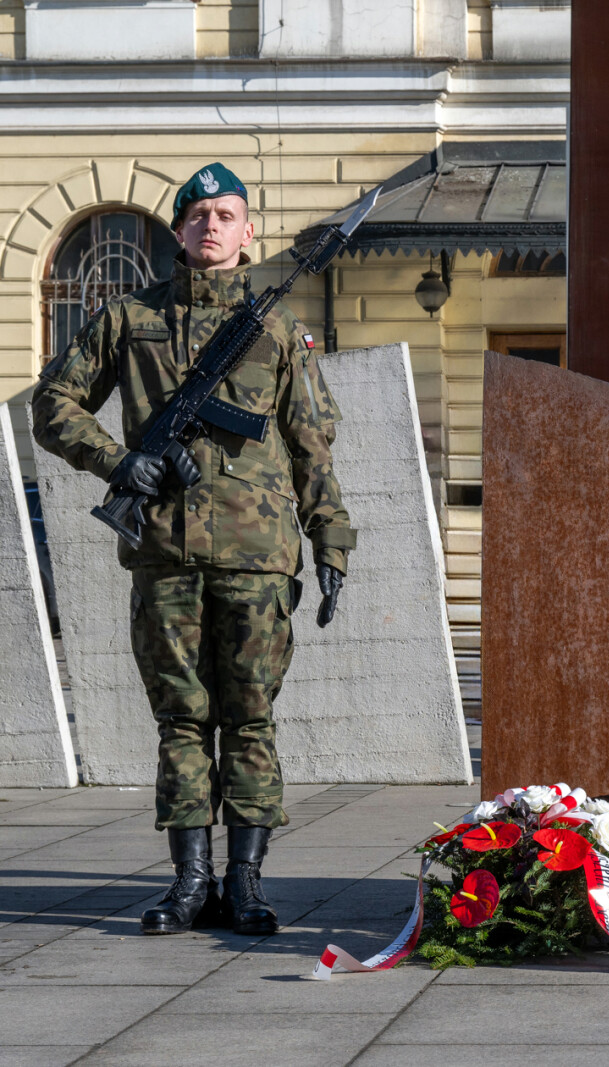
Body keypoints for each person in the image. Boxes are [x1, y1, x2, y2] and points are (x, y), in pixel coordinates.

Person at [33, 163, 356, 936]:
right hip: (166, 554)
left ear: (250, 232)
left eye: (226, 214)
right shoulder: (127, 318)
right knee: (181, 720)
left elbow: (314, 449)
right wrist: (120, 463)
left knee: (249, 719)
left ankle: (244, 883)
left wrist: (331, 543)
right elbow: (54, 404)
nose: (211, 225)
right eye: (198, 214)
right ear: (177, 231)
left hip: (258, 556)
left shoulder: (276, 329)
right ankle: (189, 882)